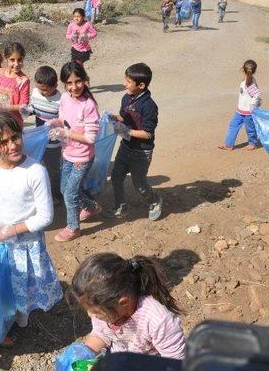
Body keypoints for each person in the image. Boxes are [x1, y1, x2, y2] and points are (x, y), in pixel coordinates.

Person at [0, 111, 63, 344]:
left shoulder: (35, 172)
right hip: (0, 237)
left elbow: (45, 217)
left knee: (23, 285)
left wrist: (10, 231)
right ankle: (7, 317)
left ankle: (20, 322)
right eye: (3, 142)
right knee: (3, 282)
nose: (13, 145)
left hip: (25, 242)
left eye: (16, 137)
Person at [67, 252, 186, 359]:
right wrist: (83, 353)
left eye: (96, 312)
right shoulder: (105, 312)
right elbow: (101, 333)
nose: (90, 314)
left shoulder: (158, 320)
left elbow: (175, 361)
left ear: (123, 302)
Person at [49, 62, 100, 242]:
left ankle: (73, 227)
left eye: (78, 81)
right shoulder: (64, 98)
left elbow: (90, 138)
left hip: (82, 157)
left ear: (84, 80)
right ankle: (91, 207)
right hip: (68, 153)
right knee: (65, 189)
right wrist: (55, 123)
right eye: (69, 83)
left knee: (70, 194)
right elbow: (64, 120)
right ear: (64, 84)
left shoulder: (89, 105)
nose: (74, 87)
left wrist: (67, 133)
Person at [111, 63, 162, 221]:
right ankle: (121, 205)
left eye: (128, 81)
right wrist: (112, 118)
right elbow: (123, 119)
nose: (124, 84)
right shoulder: (126, 98)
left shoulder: (149, 106)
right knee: (116, 176)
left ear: (141, 85)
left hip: (141, 152)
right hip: (125, 147)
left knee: (139, 183)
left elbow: (148, 134)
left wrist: (127, 132)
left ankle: (154, 200)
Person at [23, 66, 63, 203]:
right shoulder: (35, 93)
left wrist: (54, 123)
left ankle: (56, 194)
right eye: (40, 89)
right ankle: (40, 193)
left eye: (45, 90)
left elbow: (64, 119)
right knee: (37, 166)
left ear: (55, 86)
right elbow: (33, 108)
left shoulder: (60, 100)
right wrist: (27, 111)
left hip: (53, 141)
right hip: (38, 138)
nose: (42, 92)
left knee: (53, 169)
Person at [218, 59, 262, 151]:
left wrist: (252, 106)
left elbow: (257, 95)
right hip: (240, 111)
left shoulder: (250, 83)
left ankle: (253, 143)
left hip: (248, 113)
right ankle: (229, 145)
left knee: (250, 129)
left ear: (243, 69)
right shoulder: (246, 81)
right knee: (233, 125)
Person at [0, 43, 30, 126]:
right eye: (12, 60)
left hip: (14, 122)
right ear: (6, 58)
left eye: (20, 60)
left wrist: (7, 107)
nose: (16, 64)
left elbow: (23, 106)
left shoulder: (23, 81)